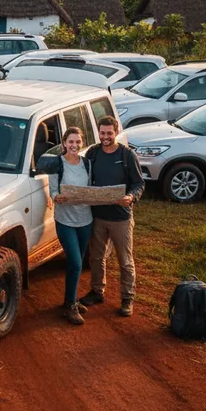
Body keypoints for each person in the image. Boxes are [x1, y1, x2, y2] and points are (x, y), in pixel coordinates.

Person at [80, 116, 145, 317]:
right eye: (102, 133)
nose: (105, 137)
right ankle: (97, 291)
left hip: (121, 218)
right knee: (96, 257)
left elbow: (139, 184)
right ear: (98, 133)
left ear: (116, 132)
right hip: (97, 216)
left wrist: (131, 197)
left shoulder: (127, 156)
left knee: (125, 260)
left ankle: (127, 299)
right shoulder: (93, 153)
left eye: (109, 133)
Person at [42, 127, 93, 325]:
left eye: (78, 142)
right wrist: (57, 197)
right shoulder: (57, 164)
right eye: (70, 142)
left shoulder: (87, 164)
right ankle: (71, 305)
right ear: (64, 143)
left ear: (82, 143)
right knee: (76, 262)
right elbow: (52, 190)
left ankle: (69, 299)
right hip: (65, 220)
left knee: (76, 263)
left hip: (85, 219)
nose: (74, 145)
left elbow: (91, 187)